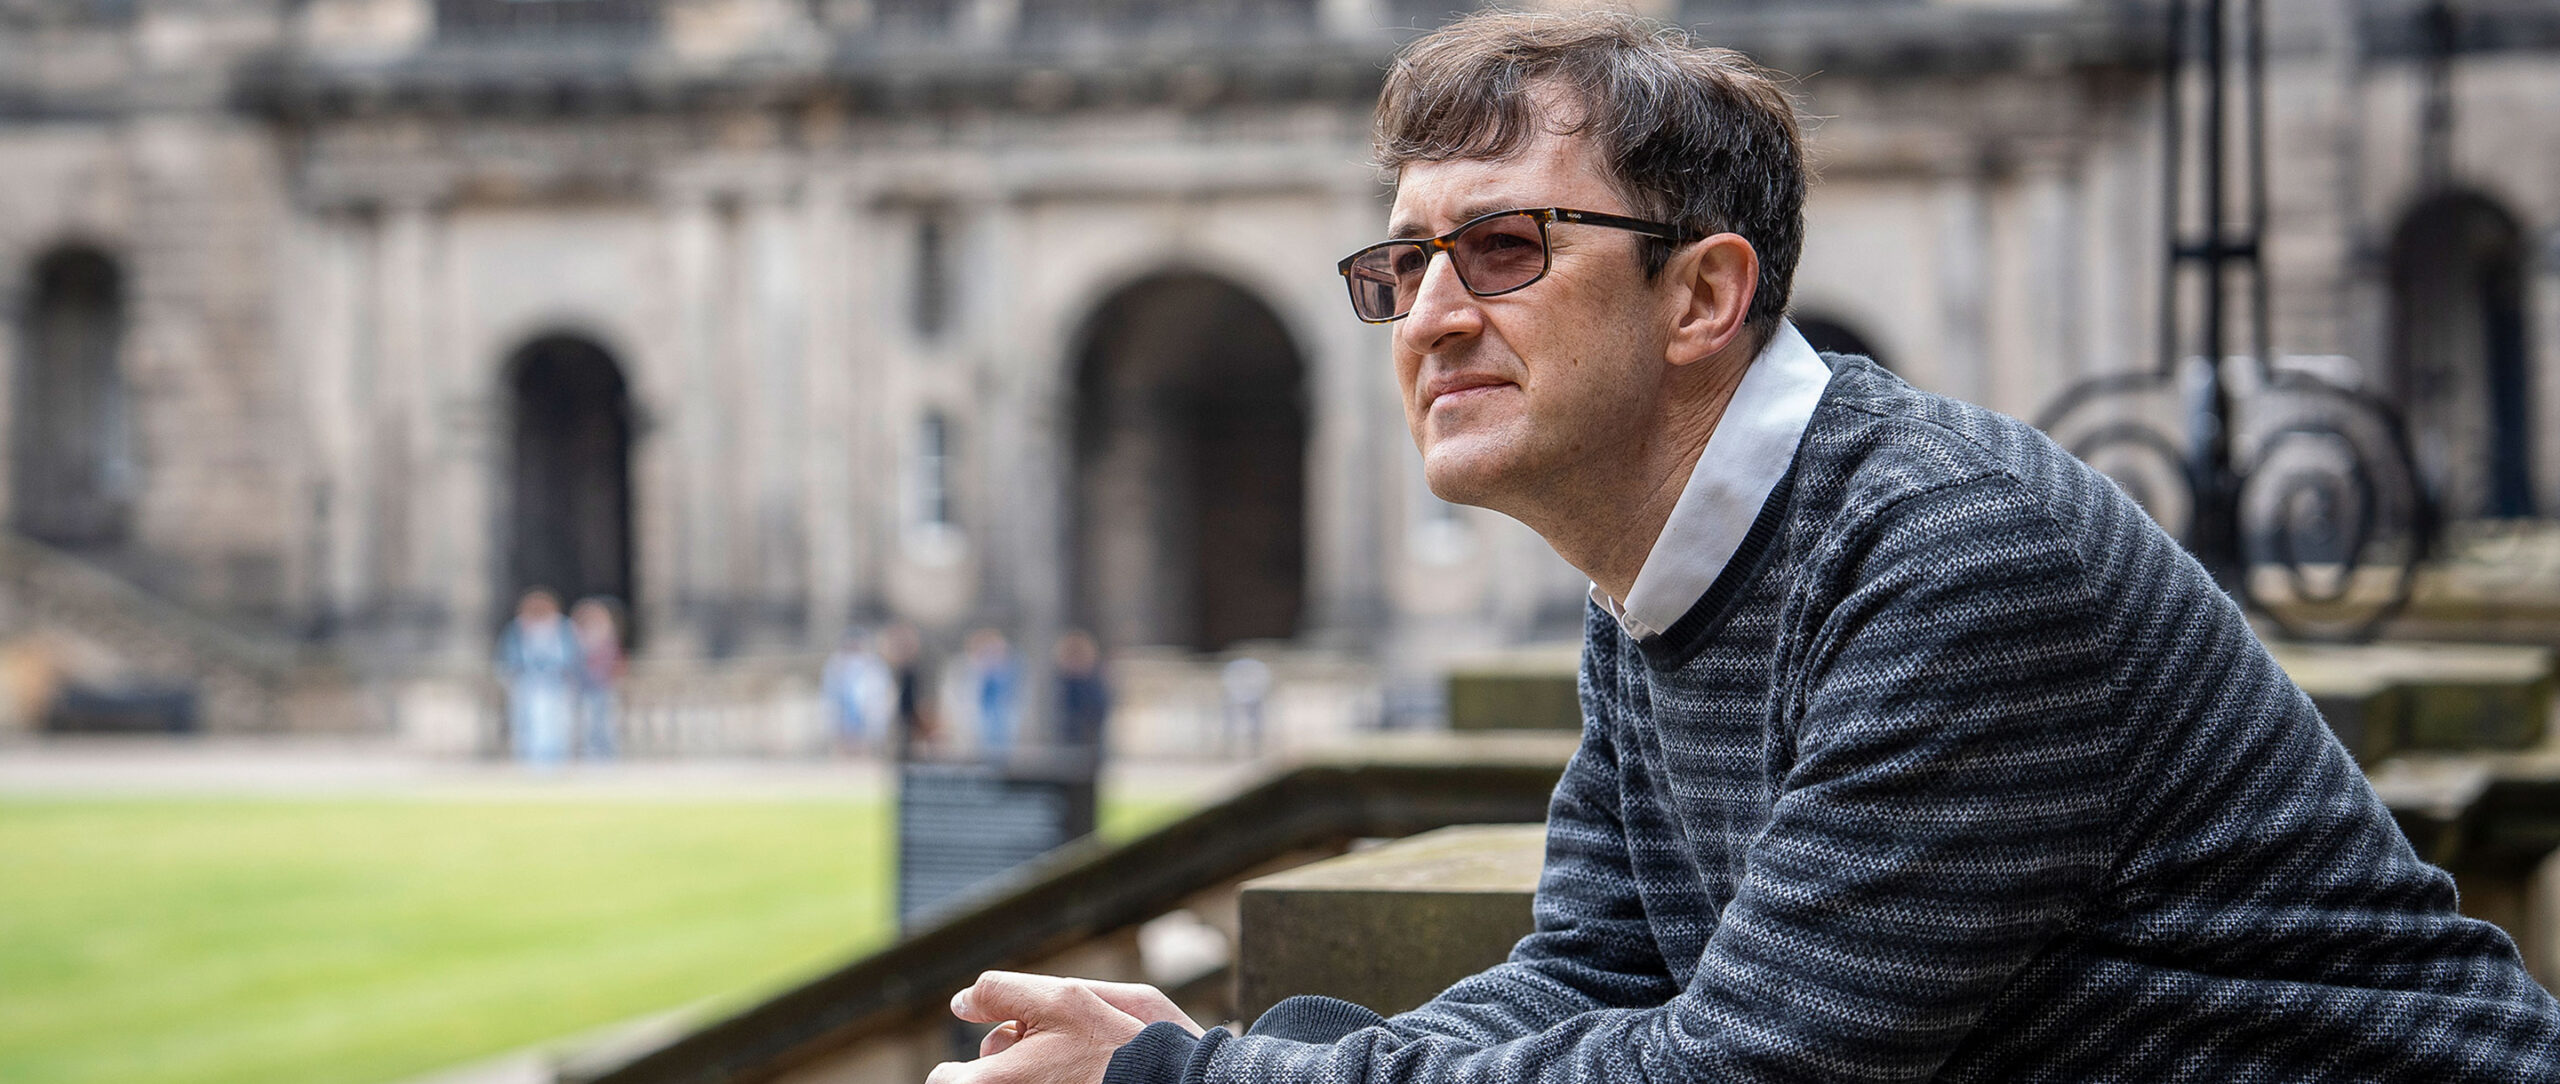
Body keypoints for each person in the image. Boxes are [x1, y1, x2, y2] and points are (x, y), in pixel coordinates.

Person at [931, 11, 2560, 1084]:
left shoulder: (1942, 550)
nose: (1428, 313)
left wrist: (1204, 1077)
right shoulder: (1662, 568)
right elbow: (1587, 972)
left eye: (1502, 247)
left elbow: (1732, 1069)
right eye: (1402, 262)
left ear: (1702, 295)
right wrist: (1238, 1055)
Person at [496, 588, 579, 769]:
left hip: (556, 683)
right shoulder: (517, 628)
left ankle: (555, 760)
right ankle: (529, 759)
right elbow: (509, 657)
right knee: (526, 722)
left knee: (557, 722)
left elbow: (571, 656)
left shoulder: (563, 627)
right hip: (527, 683)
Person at [823, 628, 897, 756]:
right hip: (843, 726)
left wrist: (878, 724)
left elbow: (881, 698)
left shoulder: (875, 666)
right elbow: (830, 697)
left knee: (864, 756)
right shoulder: (835, 665)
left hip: (868, 726)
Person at [1052, 629, 1111, 771]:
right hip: (1069, 739)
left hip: (1089, 739)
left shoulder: (1092, 681)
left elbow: (1098, 709)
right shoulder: (1064, 682)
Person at [964, 628, 1022, 765]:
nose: (990, 657)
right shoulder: (964, 675)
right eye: (986, 652)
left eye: (995, 652)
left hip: (1008, 748)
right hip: (972, 747)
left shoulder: (1011, 679)